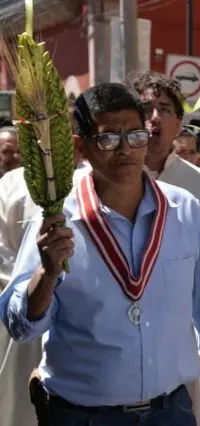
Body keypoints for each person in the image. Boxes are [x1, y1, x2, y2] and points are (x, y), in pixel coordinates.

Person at [0, 83, 200, 426]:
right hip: (81, 416)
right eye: (108, 138)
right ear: (80, 146)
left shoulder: (183, 209)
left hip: (170, 411)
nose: (125, 149)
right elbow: (20, 325)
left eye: (135, 135)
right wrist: (47, 273)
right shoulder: (57, 218)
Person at [127, 71, 200, 426]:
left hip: (182, 344)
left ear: (179, 122)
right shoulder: (109, 181)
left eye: (164, 109)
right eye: (145, 107)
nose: (154, 117)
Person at [0, 110, 88, 426]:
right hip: (24, 321)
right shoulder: (11, 185)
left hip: (84, 333)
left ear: (76, 143)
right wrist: (38, 286)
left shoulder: (96, 187)